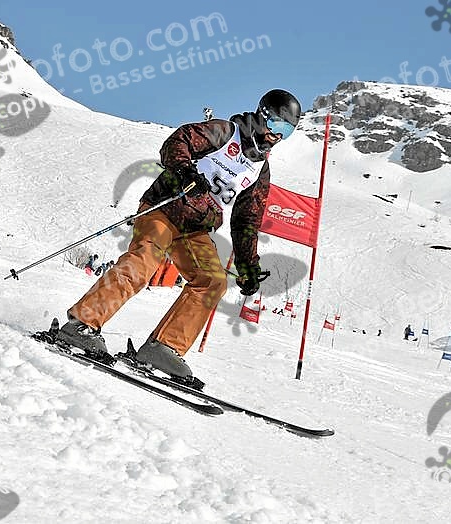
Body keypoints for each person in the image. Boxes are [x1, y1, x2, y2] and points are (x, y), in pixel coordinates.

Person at [56, 89, 301, 379]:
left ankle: (163, 347)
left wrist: (248, 265)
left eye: (287, 131)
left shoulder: (260, 170)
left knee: (212, 281)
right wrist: (186, 172)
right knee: (144, 261)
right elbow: (178, 141)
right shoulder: (224, 132)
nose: (278, 135)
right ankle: (82, 324)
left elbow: (247, 220)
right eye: (276, 125)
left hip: (195, 229)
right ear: (262, 115)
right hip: (165, 207)